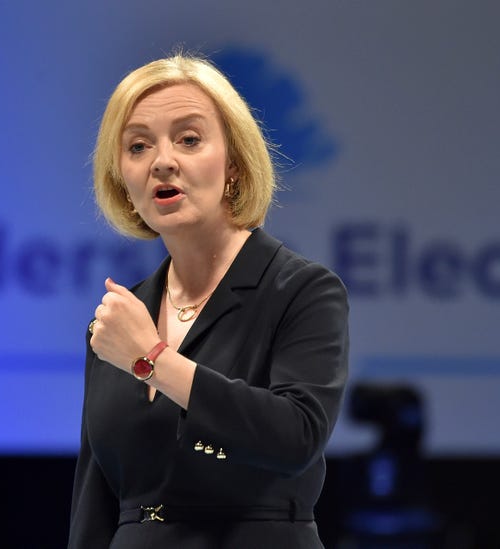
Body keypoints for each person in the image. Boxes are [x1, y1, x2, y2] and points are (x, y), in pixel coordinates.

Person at [69, 53, 350, 549]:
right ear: (123, 183)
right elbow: (96, 501)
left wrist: (152, 360)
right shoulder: (119, 320)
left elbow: (296, 438)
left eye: (189, 139)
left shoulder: (301, 290)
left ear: (235, 166)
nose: (162, 160)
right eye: (138, 146)